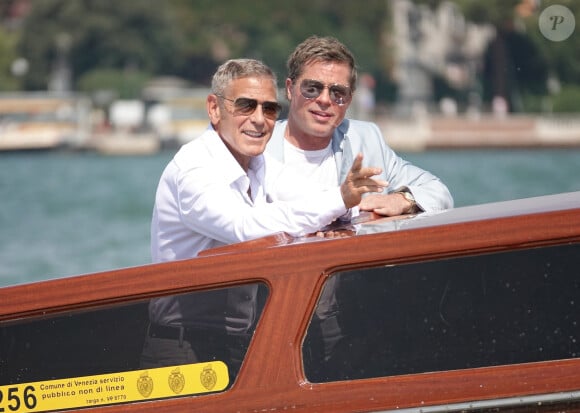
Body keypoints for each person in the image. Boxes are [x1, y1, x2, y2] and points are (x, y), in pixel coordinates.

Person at [140, 58, 387, 381]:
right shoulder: (193, 169)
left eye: (270, 110)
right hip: (182, 351)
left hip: (241, 344)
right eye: (246, 106)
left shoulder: (258, 164)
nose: (260, 120)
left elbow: (313, 197)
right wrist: (340, 198)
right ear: (214, 109)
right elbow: (245, 227)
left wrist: (373, 205)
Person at [266, 35, 454, 380]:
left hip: (355, 315)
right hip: (276, 314)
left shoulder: (364, 140)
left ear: (349, 100)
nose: (324, 100)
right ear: (290, 89)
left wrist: (403, 200)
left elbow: (438, 191)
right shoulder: (258, 147)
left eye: (337, 93)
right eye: (312, 89)